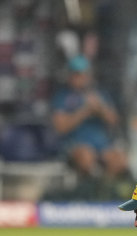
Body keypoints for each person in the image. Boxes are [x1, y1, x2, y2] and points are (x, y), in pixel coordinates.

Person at [50, 55, 131, 199]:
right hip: (76, 144)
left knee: (119, 159)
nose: (80, 78)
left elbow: (113, 120)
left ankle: (106, 194)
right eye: (76, 75)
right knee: (86, 157)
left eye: (83, 74)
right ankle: (88, 196)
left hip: (101, 144)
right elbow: (60, 127)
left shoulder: (99, 94)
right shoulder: (63, 97)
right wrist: (84, 111)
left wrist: (99, 108)